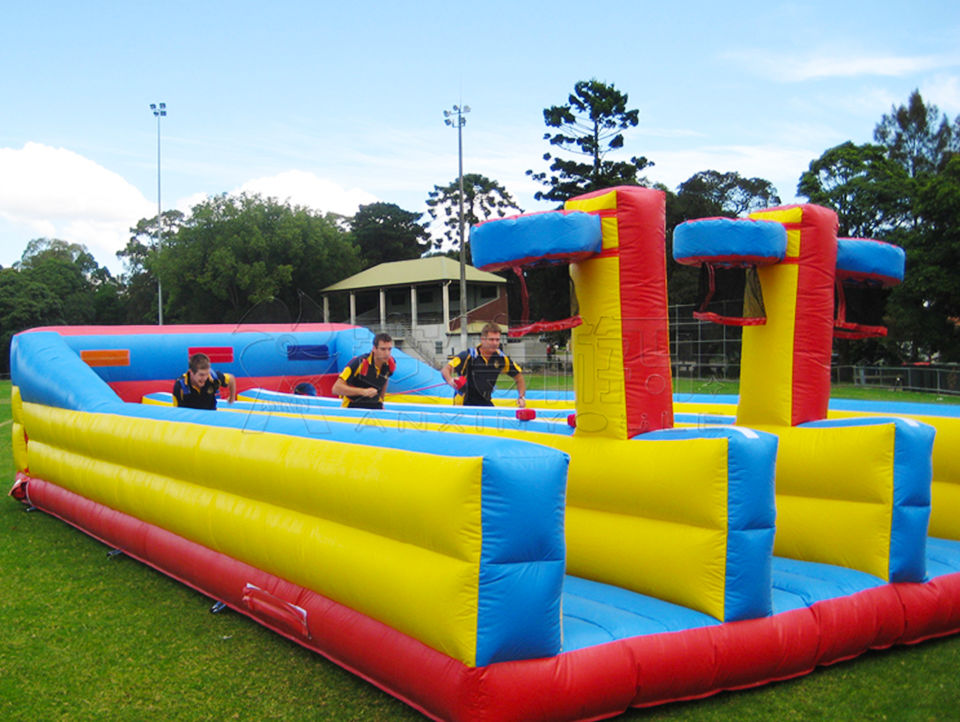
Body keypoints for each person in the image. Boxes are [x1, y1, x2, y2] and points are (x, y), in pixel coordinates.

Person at [442, 322, 526, 407]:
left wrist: (521, 397)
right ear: (482, 339)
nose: (495, 343)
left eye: (497, 340)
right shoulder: (468, 356)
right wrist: (450, 380)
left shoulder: (501, 358)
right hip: (464, 403)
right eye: (491, 339)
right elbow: (445, 370)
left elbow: (519, 377)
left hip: (485, 402)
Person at [331, 333, 395, 409]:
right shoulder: (359, 363)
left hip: (374, 405)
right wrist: (363, 392)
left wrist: (381, 401)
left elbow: (385, 379)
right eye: (383, 349)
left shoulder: (391, 363)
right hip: (352, 405)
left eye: (389, 349)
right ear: (374, 348)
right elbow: (336, 389)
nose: (387, 353)